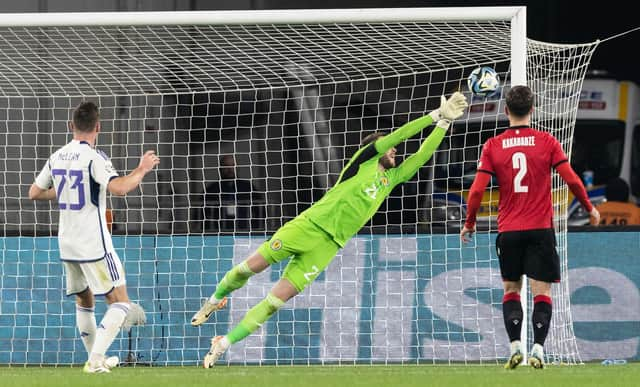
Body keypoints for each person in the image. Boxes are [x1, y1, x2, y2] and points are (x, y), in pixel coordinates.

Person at [191, 92, 469, 368]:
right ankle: (214, 300)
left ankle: (223, 344)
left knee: (275, 302)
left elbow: (421, 157)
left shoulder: (391, 178)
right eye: (390, 148)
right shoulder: (364, 161)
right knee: (246, 270)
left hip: (328, 246)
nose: (395, 151)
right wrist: (434, 115)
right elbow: (398, 137)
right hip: (308, 226)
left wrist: (444, 124)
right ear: (376, 149)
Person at [459, 85, 600, 370]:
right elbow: (571, 179)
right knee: (542, 293)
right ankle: (538, 349)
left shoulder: (493, 146)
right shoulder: (547, 141)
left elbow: (476, 191)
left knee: (511, 289)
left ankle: (514, 347)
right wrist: (589, 207)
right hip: (539, 229)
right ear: (532, 111)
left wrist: (470, 223)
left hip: (509, 231)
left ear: (506, 110)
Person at [28, 101, 160, 373]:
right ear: (98, 127)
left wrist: (63, 191)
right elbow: (120, 188)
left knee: (84, 301)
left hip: (67, 242)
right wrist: (142, 169)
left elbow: (34, 192)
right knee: (121, 302)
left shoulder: (57, 156)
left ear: (70, 126)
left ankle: (93, 359)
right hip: (94, 244)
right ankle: (96, 359)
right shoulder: (95, 157)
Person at [204, 154, 264, 231]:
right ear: (220, 168)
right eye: (226, 166)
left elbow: (260, 209)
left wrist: (256, 227)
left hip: (245, 230)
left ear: (237, 168)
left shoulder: (248, 187)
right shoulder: (212, 189)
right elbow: (202, 213)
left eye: (233, 165)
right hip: (220, 231)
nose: (230, 169)